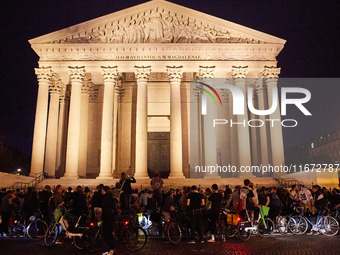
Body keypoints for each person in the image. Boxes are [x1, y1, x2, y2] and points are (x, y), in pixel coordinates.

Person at [101, 186, 118, 255]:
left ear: (104, 191)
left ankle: (111, 249)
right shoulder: (110, 197)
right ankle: (109, 249)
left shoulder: (106, 198)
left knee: (106, 234)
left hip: (108, 219)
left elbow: (106, 209)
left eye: (102, 190)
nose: (101, 192)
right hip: (108, 218)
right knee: (107, 234)